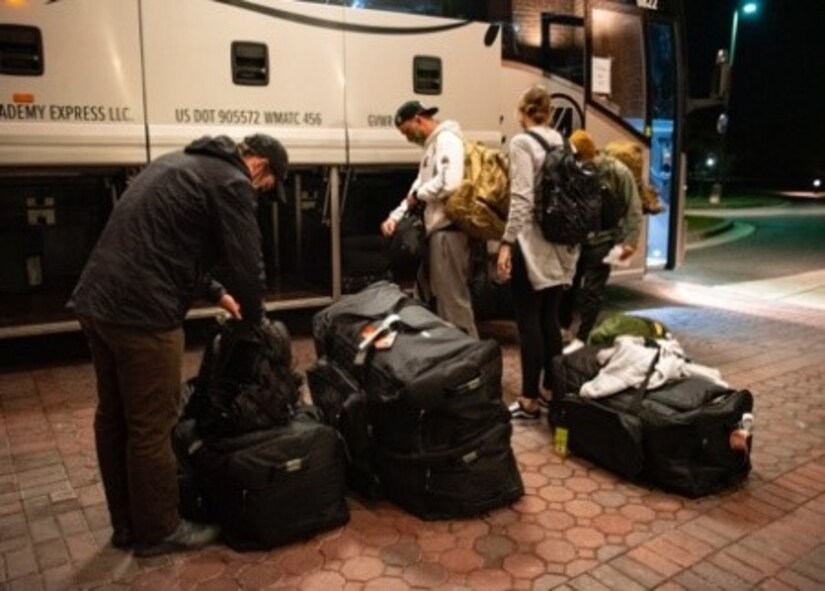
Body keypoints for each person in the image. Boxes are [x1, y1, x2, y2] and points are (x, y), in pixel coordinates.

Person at [68, 133, 288, 557]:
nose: (260, 193)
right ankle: (159, 530)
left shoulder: (177, 164)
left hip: (97, 302)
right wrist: (255, 323)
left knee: (113, 415)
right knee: (152, 423)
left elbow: (170, 245)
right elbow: (248, 262)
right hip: (143, 314)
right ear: (259, 166)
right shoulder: (232, 181)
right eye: (268, 186)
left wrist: (218, 293)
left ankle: (126, 524)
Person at [497, 86, 580, 420]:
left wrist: (506, 242)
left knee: (527, 321)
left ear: (522, 111)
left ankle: (529, 399)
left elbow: (521, 199)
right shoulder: (566, 143)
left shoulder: (522, 143)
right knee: (550, 318)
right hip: (562, 243)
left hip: (532, 244)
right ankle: (550, 389)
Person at [380, 100, 478, 338]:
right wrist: (396, 214)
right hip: (437, 232)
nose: (407, 138)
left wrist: (419, 195)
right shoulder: (431, 147)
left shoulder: (447, 140)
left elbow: (450, 181)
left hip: (448, 232)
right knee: (432, 297)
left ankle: (471, 356)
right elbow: (418, 187)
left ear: (418, 120)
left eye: (407, 132)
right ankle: (450, 355)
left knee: (453, 302)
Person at [560, 129, 643, 354]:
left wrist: (630, 241)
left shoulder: (612, 171)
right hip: (591, 242)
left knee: (580, 288)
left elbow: (633, 210)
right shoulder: (618, 171)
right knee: (583, 290)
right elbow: (634, 209)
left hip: (592, 242)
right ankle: (574, 334)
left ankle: (575, 334)